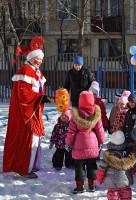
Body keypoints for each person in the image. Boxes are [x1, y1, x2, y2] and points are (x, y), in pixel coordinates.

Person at [3, 36, 53, 179]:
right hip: (26, 114)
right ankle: (24, 168)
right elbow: (23, 94)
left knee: (35, 139)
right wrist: (39, 98)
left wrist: (44, 97)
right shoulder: (25, 70)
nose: (40, 62)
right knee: (29, 139)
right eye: (38, 58)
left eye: (41, 59)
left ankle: (31, 166)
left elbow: (38, 91)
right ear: (31, 58)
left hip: (34, 111)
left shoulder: (36, 72)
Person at [65, 91, 105, 194]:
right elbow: (100, 130)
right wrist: (101, 142)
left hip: (79, 145)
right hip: (92, 145)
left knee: (79, 166)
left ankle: (80, 186)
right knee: (92, 165)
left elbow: (71, 132)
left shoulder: (76, 115)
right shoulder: (95, 115)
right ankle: (92, 185)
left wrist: (68, 144)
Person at [97, 130, 136, 200]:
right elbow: (133, 167)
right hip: (125, 182)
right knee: (126, 196)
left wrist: (100, 180)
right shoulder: (129, 155)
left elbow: (102, 169)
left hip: (112, 184)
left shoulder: (108, 155)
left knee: (112, 196)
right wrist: (134, 172)